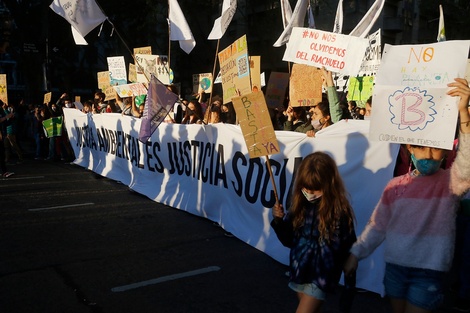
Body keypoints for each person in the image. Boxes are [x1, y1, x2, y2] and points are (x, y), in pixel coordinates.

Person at [343, 77, 470, 313]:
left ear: (445, 151)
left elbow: (467, 164)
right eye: (422, 146)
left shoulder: (450, 183)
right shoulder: (394, 186)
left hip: (429, 272)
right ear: (409, 148)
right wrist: (356, 253)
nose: (429, 155)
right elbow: (378, 225)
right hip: (395, 269)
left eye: (436, 148)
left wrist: (464, 114)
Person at [271, 152, 356, 313]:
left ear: (328, 185)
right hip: (299, 270)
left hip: (321, 276)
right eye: (306, 188)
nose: (310, 193)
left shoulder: (339, 212)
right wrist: (278, 221)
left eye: (316, 190)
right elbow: (289, 241)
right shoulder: (298, 207)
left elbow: (348, 244)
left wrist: (350, 272)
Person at [0, 107, 14, 177]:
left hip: (2, 135)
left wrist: (11, 118)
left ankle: (4, 171)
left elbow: (5, 123)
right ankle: (4, 171)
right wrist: (6, 117)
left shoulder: (1, 111)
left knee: (2, 154)